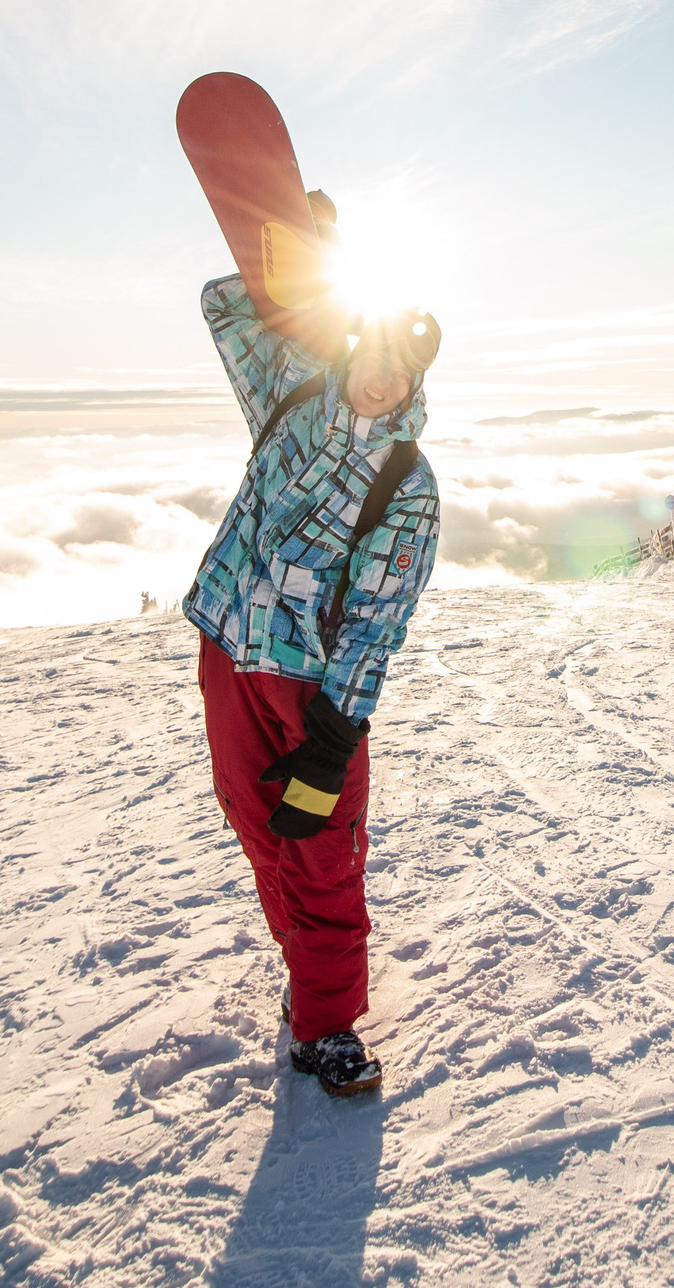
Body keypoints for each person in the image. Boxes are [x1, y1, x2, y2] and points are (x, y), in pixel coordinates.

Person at [182, 253, 441, 1100]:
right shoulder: (291, 395)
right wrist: (290, 249)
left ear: (413, 385)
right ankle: (304, 969)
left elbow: (379, 619)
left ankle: (327, 1023)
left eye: (398, 372)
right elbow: (228, 311)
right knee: (259, 828)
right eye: (372, 357)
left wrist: (333, 739)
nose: (379, 378)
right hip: (227, 648)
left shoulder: (406, 483)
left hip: (311, 688)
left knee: (321, 847)